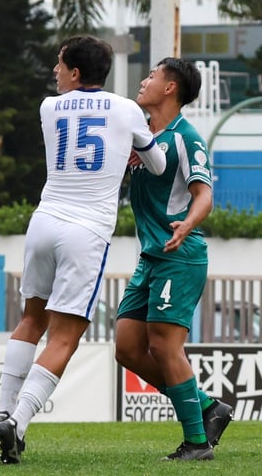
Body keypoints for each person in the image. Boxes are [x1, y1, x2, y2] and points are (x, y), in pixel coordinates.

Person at [0, 36, 167, 464]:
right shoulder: (127, 109)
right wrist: (134, 151)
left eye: (59, 64)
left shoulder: (49, 107)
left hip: (44, 220)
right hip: (86, 231)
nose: (55, 71)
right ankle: (19, 422)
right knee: (65, 336)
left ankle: (2, 409)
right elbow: (158, 165)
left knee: (30, 319)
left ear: (74, 72)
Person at [114, 58, 232, 461]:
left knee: (165, 345)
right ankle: (207, 406)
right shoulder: (143, 137)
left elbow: (205, 195)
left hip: (179, 254)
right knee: (127, 348)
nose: (143, 81)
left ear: (170, 88)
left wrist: (186, 225)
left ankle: (197, 442)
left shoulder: (186, 138)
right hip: (152, 256)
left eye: (152, 75)